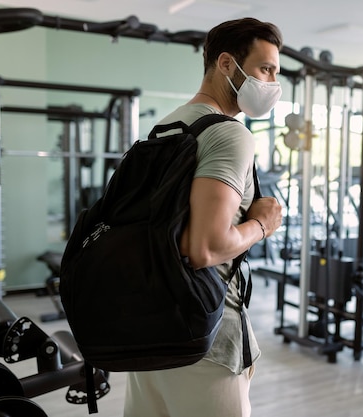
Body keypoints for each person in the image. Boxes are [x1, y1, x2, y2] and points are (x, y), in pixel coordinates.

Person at [123, 17, 284, 417]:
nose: (271, 82)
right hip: (204, 337)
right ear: (226, 64)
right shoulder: (229, 134)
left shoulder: (165, 127)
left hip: (150, 326)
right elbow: (205, 247)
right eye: (265, 68)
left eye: (275, 72)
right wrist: (262, 224)